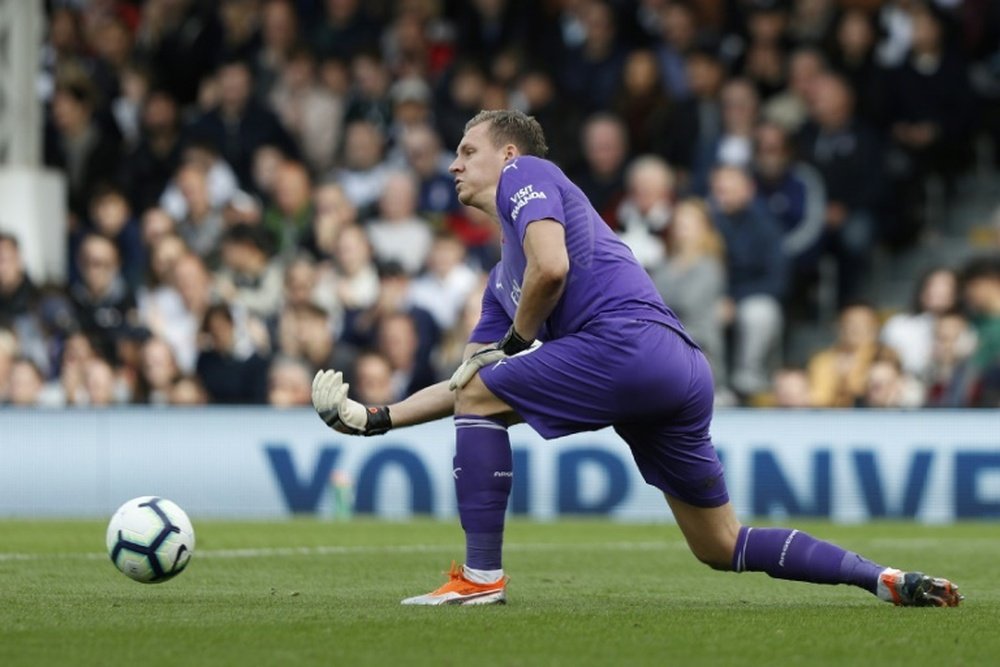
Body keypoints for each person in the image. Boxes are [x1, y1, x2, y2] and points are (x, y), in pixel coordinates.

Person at [309, 109, 962, 608]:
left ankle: (481, 579)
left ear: (506, 154)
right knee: (721, 544)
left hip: (627, 346)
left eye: (466, 150)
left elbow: (553, 271)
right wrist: (374, 417)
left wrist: (514, 342)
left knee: (486, 393)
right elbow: (469, 381)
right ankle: (880, 578)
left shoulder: (526, 174)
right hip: (677, 369)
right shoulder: (501, 279)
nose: (454, 165)